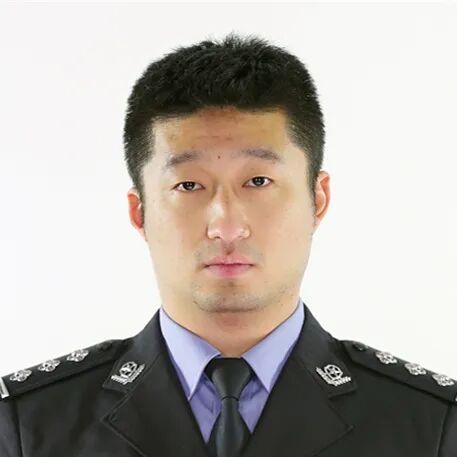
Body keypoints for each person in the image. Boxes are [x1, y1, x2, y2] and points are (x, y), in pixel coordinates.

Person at [0, 32, 455, 457]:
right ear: (140, 212)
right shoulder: (28, 424)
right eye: (189, 185)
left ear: (318, 199)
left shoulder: (431, 425)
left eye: (258, 181)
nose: (227, 225)